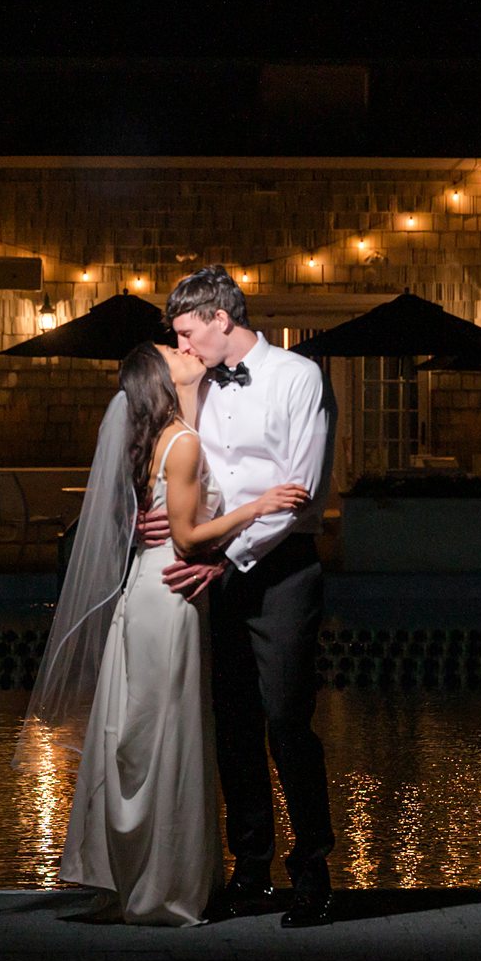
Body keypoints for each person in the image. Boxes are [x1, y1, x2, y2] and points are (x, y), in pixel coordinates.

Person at [25, 338, 310, 926]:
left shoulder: (154, 439)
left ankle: (137, 874)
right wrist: (258, 507)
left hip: (146, 589)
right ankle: (164, 884)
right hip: (173, 592)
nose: (184, 349)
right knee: (169, 736)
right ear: (162, 376)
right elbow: (184, 538)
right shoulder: (181, 442)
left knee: (143, 733)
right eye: (172, 349)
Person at [141, 265, 337, 927]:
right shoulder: (194, 385)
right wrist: (161, 513)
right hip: (212, 569)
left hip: (282, 571)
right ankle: (250, 869)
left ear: (221, 316)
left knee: (286, 719)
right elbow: (182, 463)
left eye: (187, 329)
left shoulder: (298, 377)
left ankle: (312, 868)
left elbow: (299, 492)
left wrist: (224, 559)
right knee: (233, 728)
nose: (183, 343)